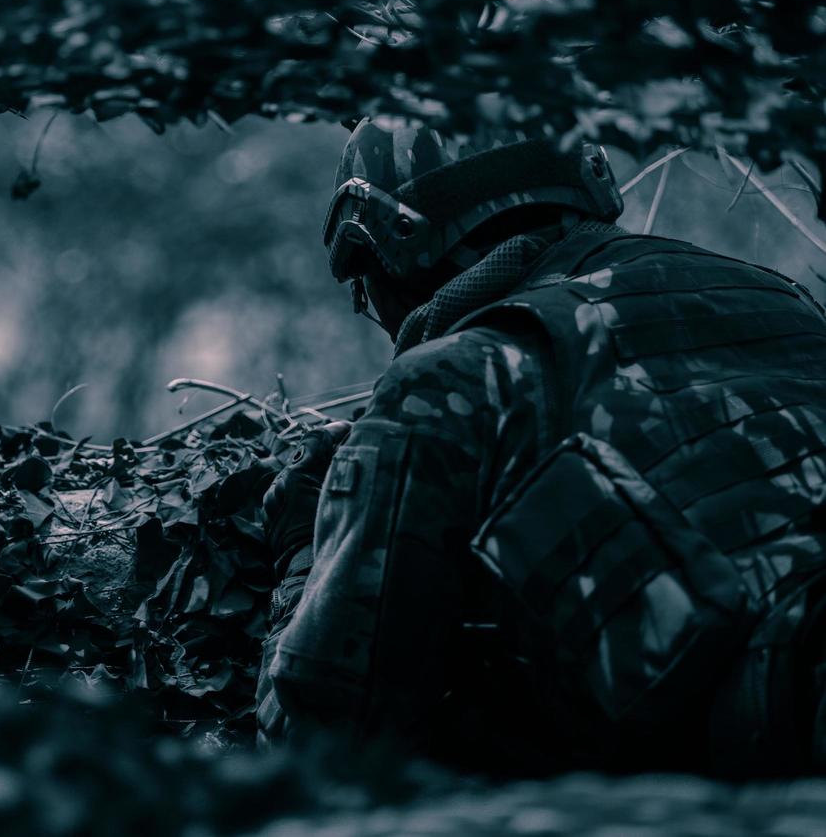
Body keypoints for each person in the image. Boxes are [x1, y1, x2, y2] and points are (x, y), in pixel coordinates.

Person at [256, 117, 826, 776]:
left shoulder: (452, 378)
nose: (373, 311)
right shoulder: (783, 301)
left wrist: (301, 544)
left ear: (394, 240)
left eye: (363, 285)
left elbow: (313, 748)